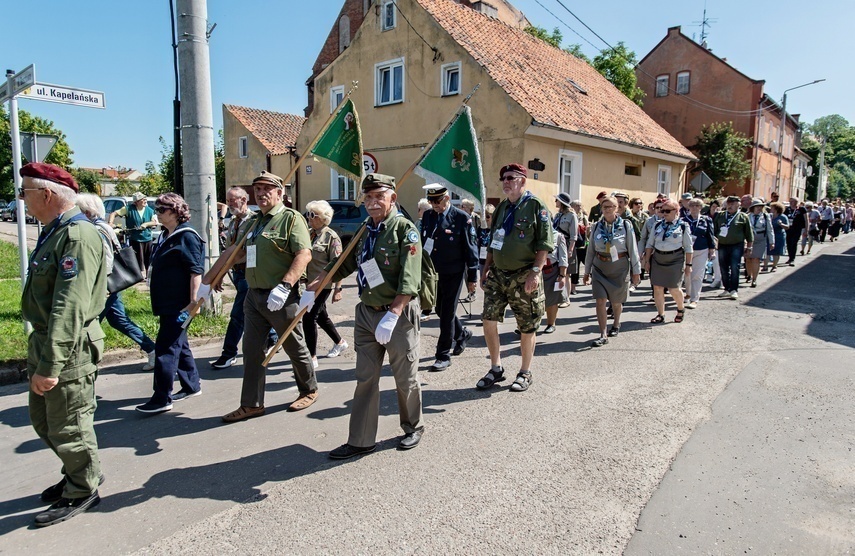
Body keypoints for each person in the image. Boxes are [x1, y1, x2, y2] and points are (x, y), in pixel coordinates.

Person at [308, 173, 424, 458]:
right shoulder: (365, 229)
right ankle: (361, 440)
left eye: (379, 197)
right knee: (365, 379)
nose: (372, 203)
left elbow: (410, 279)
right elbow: (345, 261)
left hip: (397, 315)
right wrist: (317, 284)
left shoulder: (404, 230)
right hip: (366, 313)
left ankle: (413, 426)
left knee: (404, 378)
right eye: (368, 197)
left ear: (392, 198)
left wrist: (394, 313)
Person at [20, 163, 107, 526]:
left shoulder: (76, 235)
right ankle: (78, 473)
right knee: (45, 421)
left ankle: (83, 489)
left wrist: (51, 365)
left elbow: (69, 305)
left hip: (67, 345)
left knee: (69, 425)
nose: (21, 199)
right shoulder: (56, 232)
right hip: (47, 339)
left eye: (24, 192)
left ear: (47, 194)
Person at [205, 171, 319, 422]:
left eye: (268, 188)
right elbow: (235, 253)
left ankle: (308, 389)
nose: (262, 193)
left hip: (280, 296)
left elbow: (304, 254)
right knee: (252, 351)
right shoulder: (254, 222)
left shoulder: (291, 219)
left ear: (280, 193)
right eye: (257, 189)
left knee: (294, 347)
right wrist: (210, 279)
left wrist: (285, 286)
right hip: (254, 296)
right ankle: (252, 403)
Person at [477, 163, 554, 392]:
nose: (506, 182)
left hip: (524, 275)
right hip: (499, 275)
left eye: (511, 177)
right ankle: (496, 367)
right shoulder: (501, 208)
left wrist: (536, 272)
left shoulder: (535, 206)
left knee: (526, 326)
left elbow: (543, 244)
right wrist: (486, 267)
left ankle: (524, 372)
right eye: (503, 179)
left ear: (522, 180)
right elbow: (493, 240)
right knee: (488, 319)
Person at [135, 193, 203, 414]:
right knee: (179, 344)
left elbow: (195, 271)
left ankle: (161, 397)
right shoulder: (165, 234)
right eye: (156, 209)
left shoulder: (187, 236)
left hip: (180, 305)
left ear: (175, 211)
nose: (157, 213)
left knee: (166, 347)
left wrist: (194, 303)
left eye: (162, 209)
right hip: (166, 302)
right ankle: (191, 385)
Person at [76, 193, 157, 370]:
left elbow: (106, 259)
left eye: (79, 210)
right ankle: (152, 350)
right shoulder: (100, 226)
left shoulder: (97, 229)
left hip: (104, 286)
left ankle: (81, 363)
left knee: (88, 324)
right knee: (118, 320)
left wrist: (103, 287)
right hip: (109, 285)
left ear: (88, 212)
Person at [211, 187, 278, 369]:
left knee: (237, 315)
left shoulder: (255, 221)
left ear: (243, 200)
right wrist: (223, 272)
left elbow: (248, 251)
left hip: (250, 273)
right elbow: (229, 250)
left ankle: (228, 353)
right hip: (237, 272)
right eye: (228, 200)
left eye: (233, 200)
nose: (230, 204)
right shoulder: (233, 222)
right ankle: (273, 335)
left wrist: (226, 267)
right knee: (257, 309)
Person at [420, 185, 479, 371]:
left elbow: (471, 249)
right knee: (439, 309)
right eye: (431, 201)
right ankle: (462, 334)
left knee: (446, 314)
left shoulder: (462, 218)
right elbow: (424, 242)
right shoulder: (429, 216)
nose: (434, 205)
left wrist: (472, 277)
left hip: (453, 271)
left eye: (437, 201)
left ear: (447, 198)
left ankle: (443, 355)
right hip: (433, 272)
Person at [583, 195, 640, 346]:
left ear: (617, 208)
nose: (607, 209)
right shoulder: (596, 227)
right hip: (600, 267)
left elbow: (633, 250)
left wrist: (636, 272)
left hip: (619, 268)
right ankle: (603, 333)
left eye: (610, 207)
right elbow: (590, 251)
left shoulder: (626, 226)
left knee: (616, 302)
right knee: (600, 300)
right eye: (604, 207)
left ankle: (616, 323)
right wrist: (586, 271)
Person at [303, 200, 347, 368]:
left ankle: (311, 356)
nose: (309, 218)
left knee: (309, 317)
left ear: (323, 218)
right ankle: (340, 342)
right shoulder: (308, 233)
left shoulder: (331, 237)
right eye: (308, 214)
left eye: (313, 215)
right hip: (308, 284)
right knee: (321, 316)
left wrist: (338, 289)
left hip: (323, 284)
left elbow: (338, 265)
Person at [644, 199, 693, 323]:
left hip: (675, 259)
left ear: (676, 211)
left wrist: (688, 265)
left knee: (674, 288)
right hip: (658, 258)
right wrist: (647, 261)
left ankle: (681, 309)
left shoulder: (683, 226)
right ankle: (661, 314)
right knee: (657, 287)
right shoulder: (657, 225)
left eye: (667, 211)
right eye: (662, 210)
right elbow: (650, 244)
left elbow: (688, 247)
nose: (664, 213)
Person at [713, 196, 754, 300]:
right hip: (722, 244)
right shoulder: (720, 215)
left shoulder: (743, 217)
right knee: (723, 267)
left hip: (737, 245)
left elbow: (749, 234)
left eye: (732, 204)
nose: (730, 206)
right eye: (728, 204)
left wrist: (749, 247)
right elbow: (714, 230)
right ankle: (727, 289)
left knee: (735, 266)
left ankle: (734, 290)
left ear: (738, 205)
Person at [108, 191, 157, 274]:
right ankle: (138, 276)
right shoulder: (128, 209)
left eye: (145, 199)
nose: (145, 200)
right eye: (142, 199)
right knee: (136, 259)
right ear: (136, 202)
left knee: (148, 259)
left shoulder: (150, 210)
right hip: (135, 239)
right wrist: (110, 223)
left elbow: (154, 222)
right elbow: (114, 213)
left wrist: (146, 224)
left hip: (147, 238)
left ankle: (148, 276)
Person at [684, 198, 716, 309]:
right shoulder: (684, 220)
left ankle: (694, 299)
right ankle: (688, 293)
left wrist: (712, 250)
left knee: (697, 275)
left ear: (701, 207)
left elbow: (710, 235)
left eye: (697, 205)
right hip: (686, 251)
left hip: (701, 250)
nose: (694, 207)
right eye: (692, 205)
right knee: (687, 274)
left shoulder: (706, 220)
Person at [542, 226, 569, 334]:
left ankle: (551, 324)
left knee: (552, 300)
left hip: (552, 271)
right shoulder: (533, 234)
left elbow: (563, 258)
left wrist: (562, 276)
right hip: (536, 272)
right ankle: (529, 326)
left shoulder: (558, 236)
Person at [745, 199, 773, 288]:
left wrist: (772, 242)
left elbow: (770, 229)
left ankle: (754, 279)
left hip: (761, 239)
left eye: (761, 207)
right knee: (748, 259)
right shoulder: (747, 216)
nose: (759, 208)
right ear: (753, 208)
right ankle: (749, 274)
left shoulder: (765, 216)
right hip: (749, 239)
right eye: (757, 207)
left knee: (756, 259)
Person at [569, 200, 588, 295]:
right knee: (574, 268)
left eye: (580, 205)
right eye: (577, 205)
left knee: (588, 263)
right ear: (572, 206)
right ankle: (572, 288)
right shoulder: (570, 216)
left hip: (583, 245)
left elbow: (588, 229)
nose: (579, 207)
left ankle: (589, 278)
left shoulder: (583, 217)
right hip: (573, 246)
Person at [784, 197, 807, 266]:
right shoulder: (787, 209)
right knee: (788, 243)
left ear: (797, 202)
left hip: (797, 229)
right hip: (788, 229)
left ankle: (792, 259)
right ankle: (790, 257)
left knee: (794, 242)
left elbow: (806, 219)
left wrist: (806, 229)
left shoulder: (801, 209)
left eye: (793, 201)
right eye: (790, 201)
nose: (791, 203)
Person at [769, 202, 789, 271]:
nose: (770, 209)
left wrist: (781, 224)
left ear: (776, 209)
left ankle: (774, 266)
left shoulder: (783, 217)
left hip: (779, 235)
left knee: (776, 251)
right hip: (770, 235)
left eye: (772, 208)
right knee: (768, 251)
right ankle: (765, 266)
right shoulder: (769, 216)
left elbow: (787, 227)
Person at [477, 204, 495, 273]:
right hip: (482, 259)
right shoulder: (480, 228)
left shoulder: (496, 229)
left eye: (488, 216)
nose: (486, 218)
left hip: (492, 261)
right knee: (482, 280)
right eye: (484, 216)